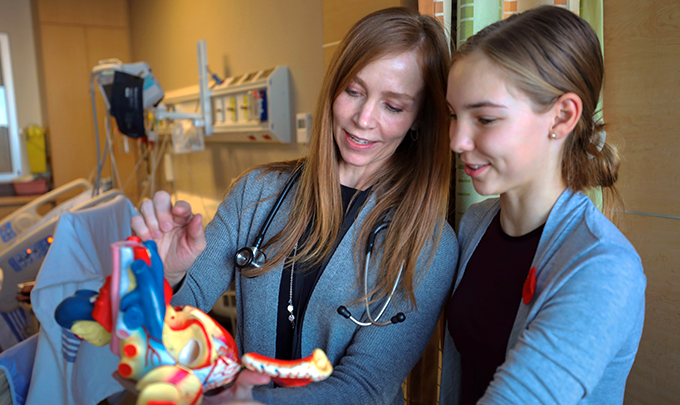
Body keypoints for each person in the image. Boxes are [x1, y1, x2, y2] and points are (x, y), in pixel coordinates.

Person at [131, 7, 458, 405]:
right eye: (353, 91)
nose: (363, 119)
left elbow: (364, 388)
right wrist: (167, 275)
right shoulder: (258, 194)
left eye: (393, 106)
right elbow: (176, 323)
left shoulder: (427, 243)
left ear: (419, 118)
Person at [440, 6, 646, 405]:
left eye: (484, 119)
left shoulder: (603, 267)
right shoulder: (476, 225)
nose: (457, 141)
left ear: (562, 116)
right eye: (453, 115)